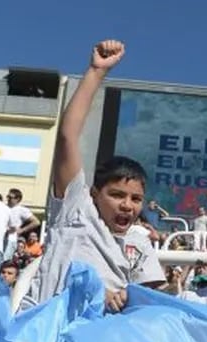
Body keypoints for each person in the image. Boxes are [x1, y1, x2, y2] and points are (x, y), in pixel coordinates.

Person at [28, 39, 164, 312]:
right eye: (117, 195)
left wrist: (119, 298)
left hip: (100, 341)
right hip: (42, 330)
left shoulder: (140, 245)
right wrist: (96, 72)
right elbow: (67, 137)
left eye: (136, 199)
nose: (128, 205)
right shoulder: (75, 208)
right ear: (93, 193)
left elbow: (150, 303)